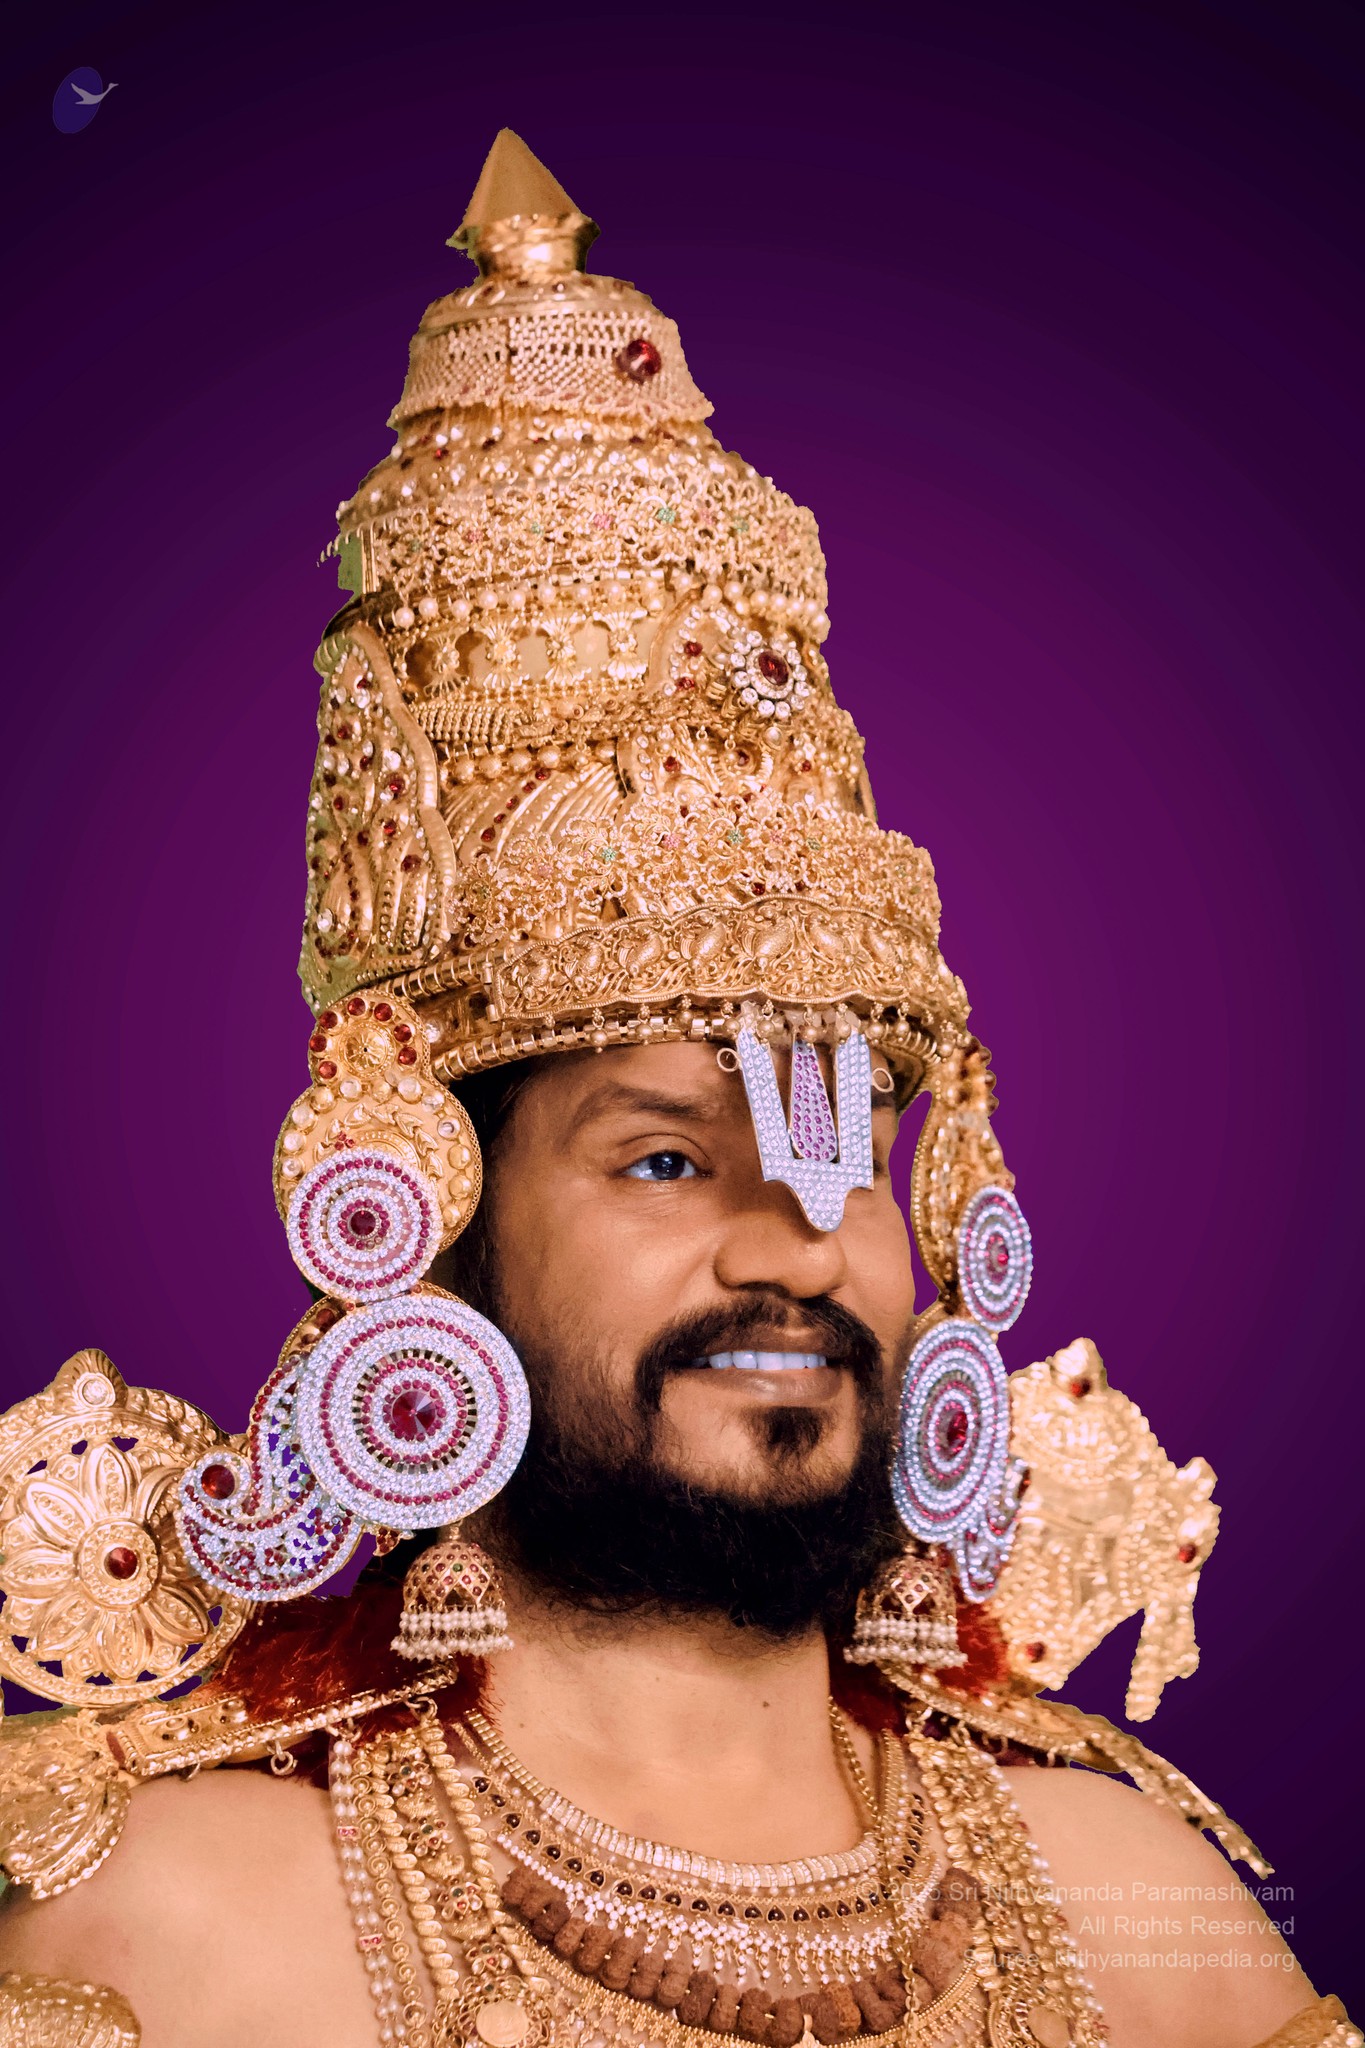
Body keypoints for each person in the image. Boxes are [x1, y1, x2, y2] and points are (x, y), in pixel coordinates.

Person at [0, 130, 1353, 2048]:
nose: (792, 1243)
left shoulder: (1143, 1910)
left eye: (842, 1150)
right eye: (659, 1156)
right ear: (435, 1239)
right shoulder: (178, 1922)